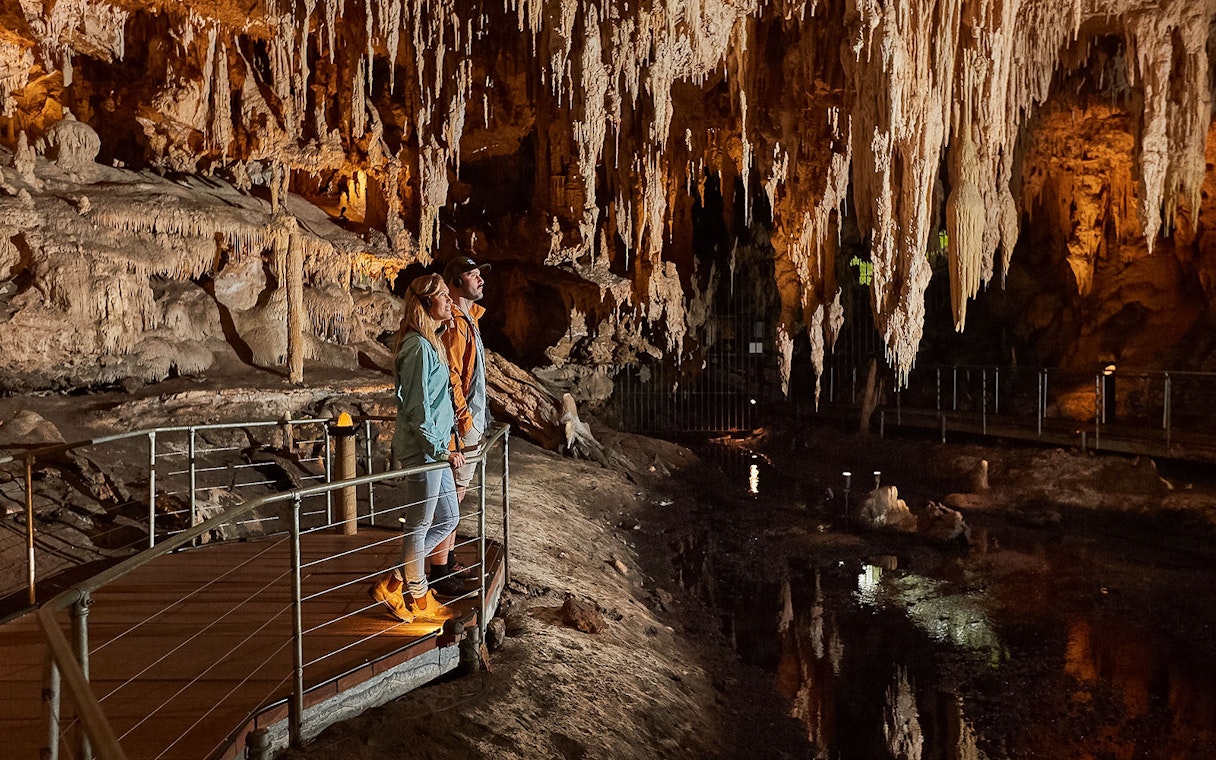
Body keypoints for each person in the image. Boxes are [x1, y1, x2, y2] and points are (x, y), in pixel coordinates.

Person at [367, 273, 465, 623]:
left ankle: (395, 582)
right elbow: (418, 407)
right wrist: (441, 449)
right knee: (420, 523)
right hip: (425, 450)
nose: (450, 300)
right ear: (425, 304)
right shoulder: (418, 347)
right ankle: (419, 597)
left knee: (448, 518)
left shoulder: (431, 342)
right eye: (443, 296)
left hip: (436, 448)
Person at [425, 255, 491, 596]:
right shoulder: (455, 326)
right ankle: (438, 569)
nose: (480, 279)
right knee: (452, 493)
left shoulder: (471, 320)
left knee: (458, 494)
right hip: (462, 423)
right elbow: (451, 375)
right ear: (455, 281)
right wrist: (464, 420)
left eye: (479, 273)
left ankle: (446, 560)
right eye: (472, 274)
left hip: (473, 419)